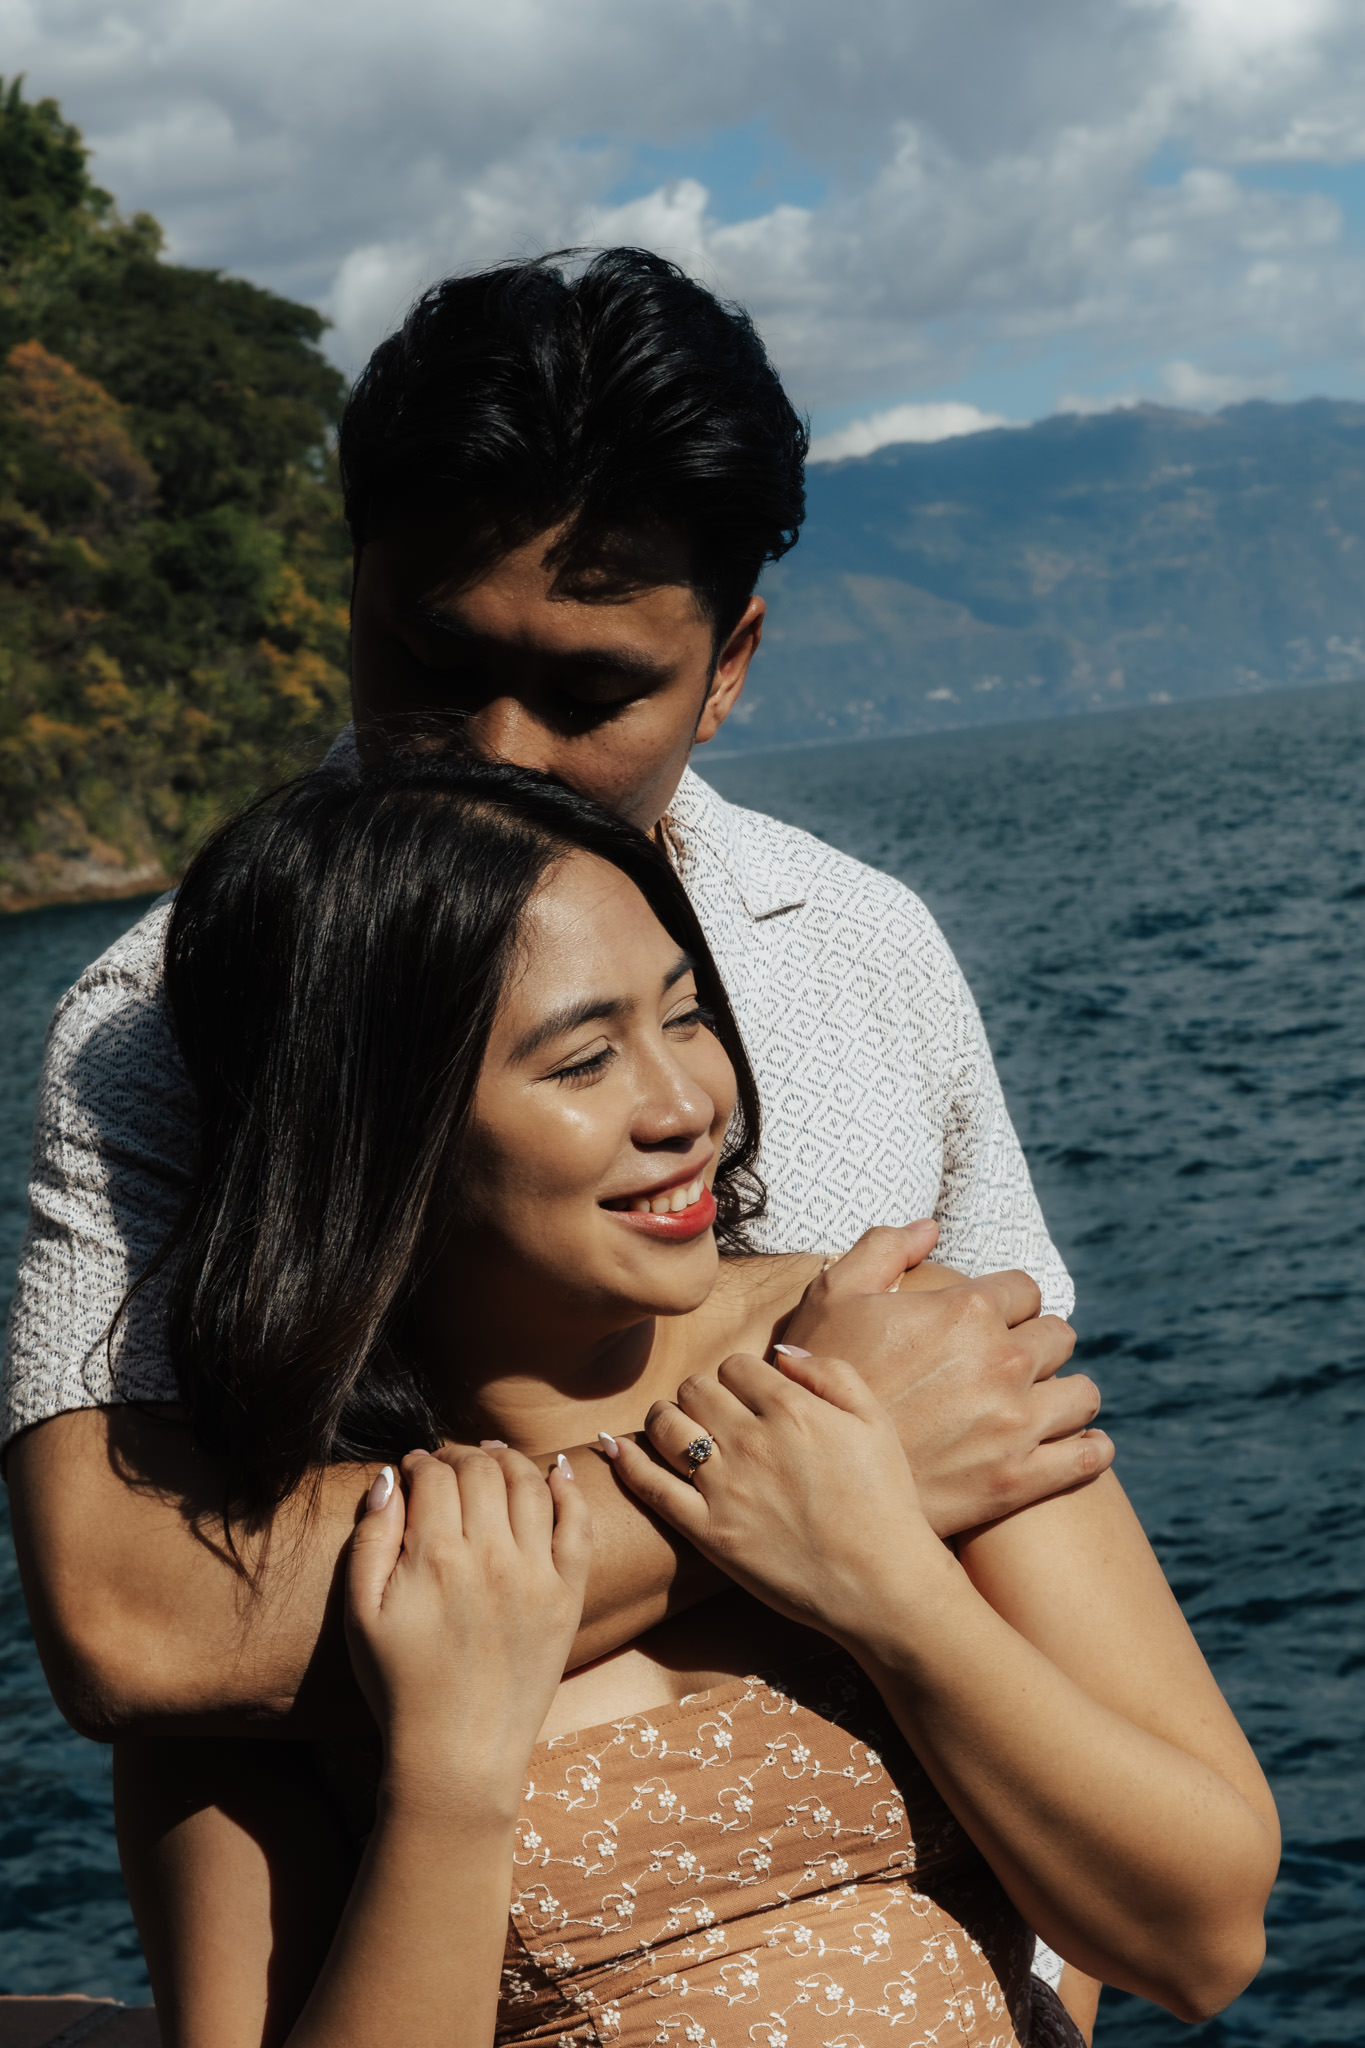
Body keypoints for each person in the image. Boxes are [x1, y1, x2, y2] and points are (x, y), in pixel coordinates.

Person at [5, 250, 1101, 1761]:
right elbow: (137, 1617)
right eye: (434, 666)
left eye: (590, 698)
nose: (500, 755)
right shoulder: (160, 1012)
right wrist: (818, 1475)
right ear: (351, 594)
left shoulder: (863, 947)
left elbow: (1017, 1439)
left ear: (726, 669)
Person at [112, 754, 1277, 2048]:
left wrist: (889, 1591)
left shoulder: (898, 1359)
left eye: (683, 1015)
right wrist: (450, 1784)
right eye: (582, 1063)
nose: (684, 1105)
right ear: (374, 1130)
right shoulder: (278, 1580)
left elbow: (1202, 1943)